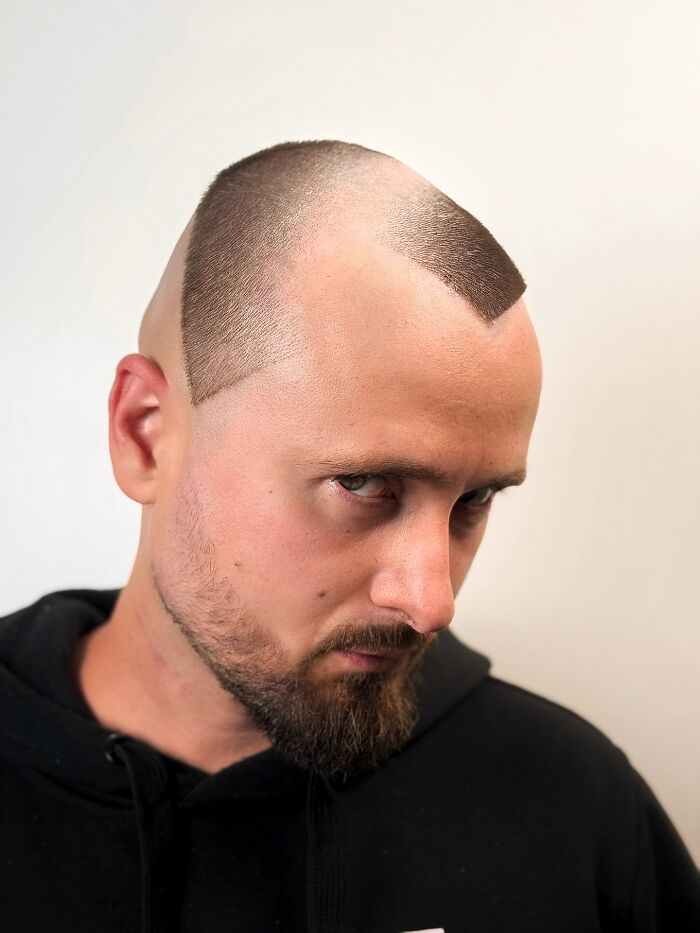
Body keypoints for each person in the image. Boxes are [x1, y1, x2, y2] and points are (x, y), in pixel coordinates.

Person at [0, 139, 697, 933]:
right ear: (146, 435)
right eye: (365, 485)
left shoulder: (576, 809)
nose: (431, 601)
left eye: (475, 500)